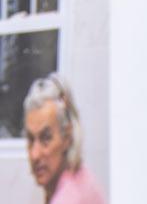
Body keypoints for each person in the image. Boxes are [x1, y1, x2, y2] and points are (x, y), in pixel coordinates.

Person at [23, 74, 106, 204]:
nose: (35, 154)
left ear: (67, 137)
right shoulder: (81, 178)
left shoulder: (70, 197)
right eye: (31, 140)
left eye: (46, 138)